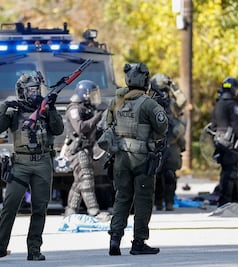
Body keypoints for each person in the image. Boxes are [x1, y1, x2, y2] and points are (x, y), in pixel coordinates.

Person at [0, 72, 64, 262]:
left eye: (37, 89)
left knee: (40, 208)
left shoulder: (46, 108)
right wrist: (5, 107)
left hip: (43, 161)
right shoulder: (14, 111)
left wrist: (49, 108)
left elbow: (58, 130)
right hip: (21, 164)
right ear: (22, 91)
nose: (35, 93)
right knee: (9, 207)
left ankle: (34, 250)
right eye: (31, 89)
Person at [104, 63, 168, 256]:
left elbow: (108, 125)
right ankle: (138, 242)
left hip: (120, 157)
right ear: (145, 81)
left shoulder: (116, 101)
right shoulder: (149, 103)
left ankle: (114, 239)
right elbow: (162, 128)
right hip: (142, 158)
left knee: (122, 198)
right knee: (142, 200)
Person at [63, 80, 110, 221]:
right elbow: (81, 128)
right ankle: (94, 210)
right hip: (78, 149)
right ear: (84, 95)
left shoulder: (88, 109)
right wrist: (97, 118)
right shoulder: (74, 109)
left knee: (79, 181)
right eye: (92, 95)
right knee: (87, 178)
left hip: (87, 149)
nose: (95, 98)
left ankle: (71, 210)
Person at [150, 73, 187, 211]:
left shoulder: (171, 103)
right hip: (156, 143)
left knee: (170, 174)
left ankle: (169, 201)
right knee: (157, 175)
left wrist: (173, 86)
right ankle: (158, 202)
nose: (163, 94)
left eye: (165, 90)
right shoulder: (150, 102)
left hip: (171, 143)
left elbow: (182, 101)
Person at [210, 77, 238, 207]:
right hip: (232, 144)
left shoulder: (219, 103)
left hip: (220, 142)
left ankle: (225, 201)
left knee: (226, 172)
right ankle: (229, 202)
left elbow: (212, 125)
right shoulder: (233, 104)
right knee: (232, 173)